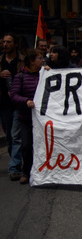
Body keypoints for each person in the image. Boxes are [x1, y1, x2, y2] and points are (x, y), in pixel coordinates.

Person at [10, 49, 44, 185]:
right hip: (26, 118)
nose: (43, 60)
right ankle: (26, 171)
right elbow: (14, 95)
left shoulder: (44, 74)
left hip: (42, 119)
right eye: (40, 58)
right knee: (26, 145)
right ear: (31, 61)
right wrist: (26, 101)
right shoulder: (20, 77)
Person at [0, 32, 24, 181]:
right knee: (9, 136)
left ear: (15, 44)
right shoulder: (0, 61)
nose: (5, 44)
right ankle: (14, 159)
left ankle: (14, 167)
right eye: (4, 42)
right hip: (3, 103)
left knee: (16, 136)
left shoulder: (22, 61)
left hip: (17, 103)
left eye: (9, 42)